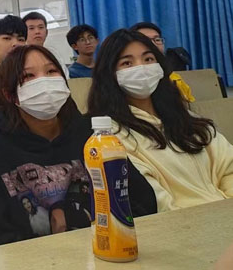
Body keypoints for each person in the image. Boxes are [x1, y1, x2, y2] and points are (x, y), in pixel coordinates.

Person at [0, 44, 156, 247]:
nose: (44, 81)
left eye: (51, 71)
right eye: (29, 76)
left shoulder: (91, 135)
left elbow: (140, 199)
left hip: (108, 246)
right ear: (9, 94)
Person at [88, 28, 233, 212]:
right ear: (110, 73)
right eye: (127, 63)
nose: (141, 68)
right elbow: (156, 201)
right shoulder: (111, 137)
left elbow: (229, 166)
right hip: (181, 223)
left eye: (148, 59)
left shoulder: (188, 119)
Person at [130, 22, 195, 102]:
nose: (153, 44)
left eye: (157, 40)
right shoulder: (130, 78)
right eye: (145, 40)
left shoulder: (173, 78)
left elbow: (187, 103)